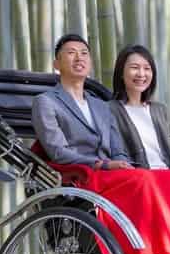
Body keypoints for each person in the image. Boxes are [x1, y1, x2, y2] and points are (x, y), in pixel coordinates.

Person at [32, 34, 134, 170]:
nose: (79, 58)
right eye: (71, 52)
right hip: (80, 174)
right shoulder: (46, 102)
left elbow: (118, 151)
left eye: (84, 53)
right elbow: (58, 152)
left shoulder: (102, 106)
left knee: (159, 177)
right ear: (56, 64)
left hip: (113, 173)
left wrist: (124, 165)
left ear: (90, 64)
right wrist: (102, 165)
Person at [108, 45, 170, 170]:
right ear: (121, 72)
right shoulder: (109, 110)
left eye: (147, 68)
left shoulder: (161, 110)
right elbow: (114, 152)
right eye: (134, 67)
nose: (141, 74)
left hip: (168, 175)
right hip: (137, 175)